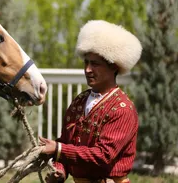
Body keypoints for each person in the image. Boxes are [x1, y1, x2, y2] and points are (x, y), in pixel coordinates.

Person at [39, 20, 142, 183]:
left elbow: (103, 156)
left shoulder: (123, 109)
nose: (87, 69)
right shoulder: (79, 101)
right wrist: (60, 171)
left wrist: (58, 150)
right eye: (86, 62)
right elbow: (66, 142)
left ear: (114, 66)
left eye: (95, 64)